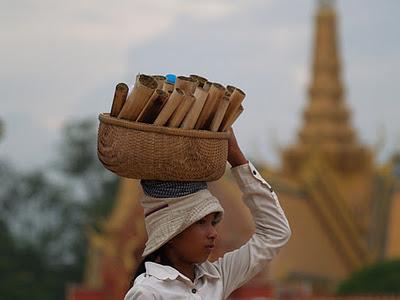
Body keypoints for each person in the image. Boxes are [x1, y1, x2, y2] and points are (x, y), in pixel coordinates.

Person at [124, 128, 291, 300]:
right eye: (201, 222)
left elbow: (276, 232)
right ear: (171, 233)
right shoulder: (147, 293)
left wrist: (237, 158)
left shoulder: (217, 278)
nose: (213, 233)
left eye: (213, 223)